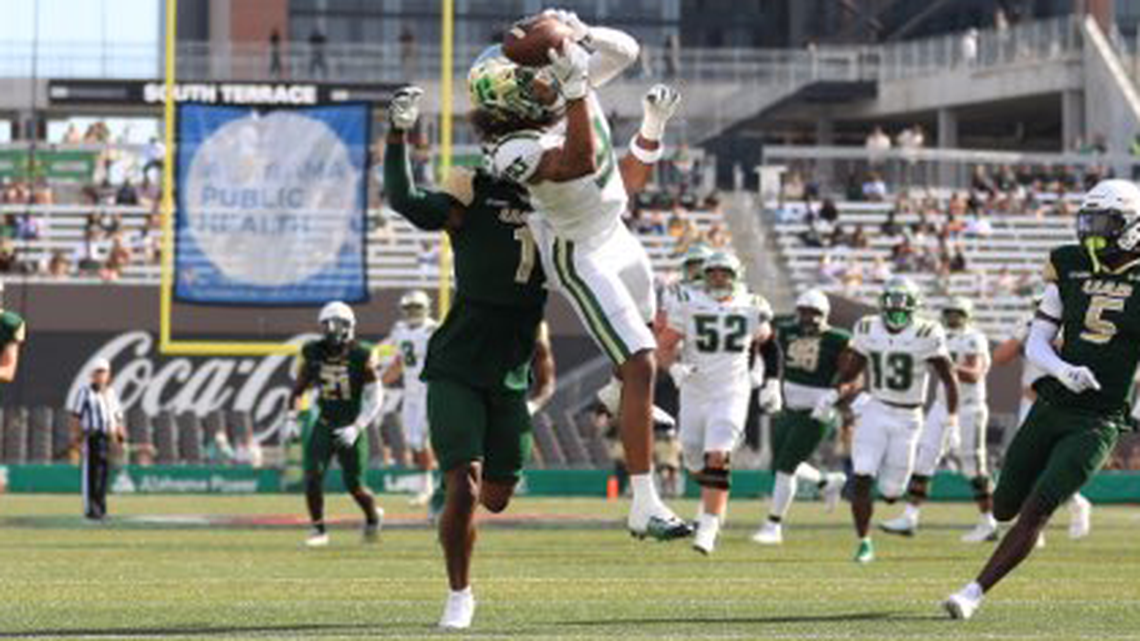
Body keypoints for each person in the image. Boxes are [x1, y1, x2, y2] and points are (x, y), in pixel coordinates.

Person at [386, 72, 669, 627]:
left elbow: (611, 184)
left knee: (495, 496)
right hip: (458, 364)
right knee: (462, 484)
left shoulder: (561, 201)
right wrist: (396, 138)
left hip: (511, 369)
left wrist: (649, 130)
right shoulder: (473, 191)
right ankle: (459, 594)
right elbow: (407, 201)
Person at [472, 11, 690, 540]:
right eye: (533, 81)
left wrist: (580, 32)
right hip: (577, 251)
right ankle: (644, 502)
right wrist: (573, 89)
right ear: (512, 101)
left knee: (650, 341)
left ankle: (616, 397)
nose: (544, 80)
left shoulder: (564, 85)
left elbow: (628, 51)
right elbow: (578, 160)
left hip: (616, 233)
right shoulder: (509, 150)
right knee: (639, 361)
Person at [942, 179, 1140, 619]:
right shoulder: (1068, 263)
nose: (1092, 231)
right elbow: (1036, 342)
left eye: (1104, 222)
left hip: (1099, 420)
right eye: (1088, 221)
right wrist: (1064, 370)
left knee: (1037, 509)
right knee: (1003, 505)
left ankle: (972, 592)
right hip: (1051, 405)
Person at [815, 277, 959, 563]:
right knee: (862, 476)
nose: (895, 313)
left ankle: (889, 495)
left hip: (909, 418)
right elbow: (851, 370)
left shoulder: (928, 332)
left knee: (892, 492)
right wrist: (832, 394)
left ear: (914, 308)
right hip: (876, 410)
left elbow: (949, 378)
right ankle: (864, 542)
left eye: (902, 307)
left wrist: (951, 418)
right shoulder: (868, 327)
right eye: (891, 305)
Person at [657, 252, 774, 555]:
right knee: (694, 458)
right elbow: (664, 345)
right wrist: (673, 368)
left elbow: (769, 344)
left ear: (737, 276)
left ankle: (708, 527)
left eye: (725, 273)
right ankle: (712, 496)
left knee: (717, 456)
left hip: (732, 391)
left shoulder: (752, 304)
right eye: (714, 273)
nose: (719, 278)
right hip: (695, 390)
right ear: (705, 276)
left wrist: (770, 379)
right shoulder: (689, 302)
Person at [880, 297, 995, 542]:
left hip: (969, 408)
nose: (953, 318)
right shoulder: (939, 335)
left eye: (958, 313)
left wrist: (946, 365)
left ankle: (989, 522)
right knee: (924, 459)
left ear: (967, 315)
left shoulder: (974, 338)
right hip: (941, 405)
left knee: (973, 466)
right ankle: (910, 517)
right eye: (950, 313)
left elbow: (974, 374)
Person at [752, 289, 850, 546]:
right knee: (779, 465)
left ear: (825, 314)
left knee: (785, 469)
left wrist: (834, 395)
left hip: (817, 410)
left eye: (814, 313)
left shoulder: (838, 339)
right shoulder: (785, 330)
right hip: (788, 405)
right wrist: (764, 380)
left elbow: (852, 374)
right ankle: (826, 482)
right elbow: (764, 346)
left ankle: (773, 525)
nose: (808, 318)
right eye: (804, 312)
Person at [285, 302, 384, 548]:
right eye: (326, 323)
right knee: (312, 476)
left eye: (336, 323)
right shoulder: (314, 352)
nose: (330, 328)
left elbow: (376, 397)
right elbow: (298, 389)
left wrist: (358, 427)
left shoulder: (362, 355)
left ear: (349, 326)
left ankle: (373, 518)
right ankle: (318, 529)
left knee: (355, 487)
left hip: (351, 425)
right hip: (324, 422)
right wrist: (290, 418)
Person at [381, 289, 439, 506]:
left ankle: (429, 487)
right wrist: (378, 383)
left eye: (417, 307)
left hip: (429, 389)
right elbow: (398, 363)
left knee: (421, 439)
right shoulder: (399, 330)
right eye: (410, 308)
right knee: (412, 440)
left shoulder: (434, 329)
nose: (413, 312)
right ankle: (428, 485)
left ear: (426, 308)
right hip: (410, 390)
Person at [68, 358, 125, 520]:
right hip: (91, 437)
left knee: (104, 474)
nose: (101, 375)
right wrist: (76, 437)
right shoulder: (84, 392)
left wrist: (120, 434)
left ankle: (101, 508)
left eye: (103, 372)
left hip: (107, 438)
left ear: (108, 374)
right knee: (91, 474)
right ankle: (91, 509)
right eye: (98, 372)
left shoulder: (111, 393)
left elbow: (117, 416)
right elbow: (76, 417)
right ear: (92, 375)